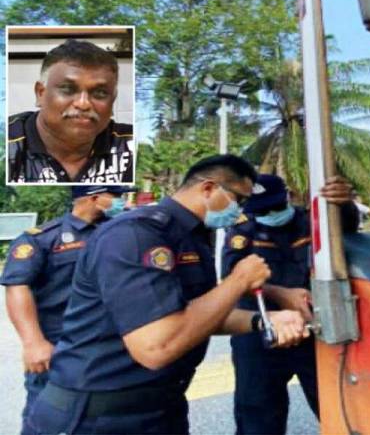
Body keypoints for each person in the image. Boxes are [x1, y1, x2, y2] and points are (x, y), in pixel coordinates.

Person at [26, 155, 308, 435]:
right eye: (239, 200)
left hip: (160, 411)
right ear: (208, 188)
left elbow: (197, 314)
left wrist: (264, 319)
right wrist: (238, 281)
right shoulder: (137, 235)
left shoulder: (192, 238)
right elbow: (155, 347)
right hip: (97, 416)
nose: (242, 211)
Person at [221, 174, 358, 435]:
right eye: (261, 209)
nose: (270, 213)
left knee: (337, 407)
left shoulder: (312, 220)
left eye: (275, 206)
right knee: (258, 415)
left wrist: (345, 204)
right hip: (260, 331)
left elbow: (347, 234)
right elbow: (231, 278)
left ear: (287, 196)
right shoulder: (241, 231)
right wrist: (280, 294)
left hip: (313, 330)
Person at [0, 185, 132, 435]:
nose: (121, 202)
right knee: (48, 421)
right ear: (95, 197)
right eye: (116, 196)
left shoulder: (120, 233)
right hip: (58, 348)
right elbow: (17, 285)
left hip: (112, 348)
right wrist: (33, 342)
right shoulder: (43, 238)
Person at [8, 39, 134, 183]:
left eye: (100, 93)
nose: (83, 104)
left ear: (112, 100)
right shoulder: (9, 144)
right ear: (40, 93)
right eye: (67, 89)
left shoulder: (129, 145)